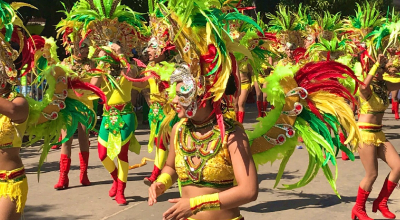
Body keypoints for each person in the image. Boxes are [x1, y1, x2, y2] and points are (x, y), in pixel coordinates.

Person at [148, 64, 258, 220]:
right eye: (175, 94)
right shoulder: (179, 130)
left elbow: (248, 191)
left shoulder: (232, 135)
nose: (174, 100)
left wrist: (197, 205)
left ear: (203, 97)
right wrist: (162, 183)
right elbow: (170, 166)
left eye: (181, 95)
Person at [351, 54, 400, 220]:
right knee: (372, 174)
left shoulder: (384, 85)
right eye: (376, 68)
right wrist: (376, 65)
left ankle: (381, 202)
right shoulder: (365, 87)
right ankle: (359, 208)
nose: (379, 71)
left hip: (378, 133)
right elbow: (364, 86)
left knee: (398, 166)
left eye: (381, 68)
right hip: (365, 134)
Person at [54, 41, 96, 190]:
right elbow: (58, 83)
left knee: (84, 139)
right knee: (66, 140)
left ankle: (84, 174)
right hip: (69, 105)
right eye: (83, 47)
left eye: (87, 47)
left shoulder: (91, 63)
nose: (87, 50)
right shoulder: (65, 63)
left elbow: (94, 84)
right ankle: (63, 177)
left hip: (85, 105)